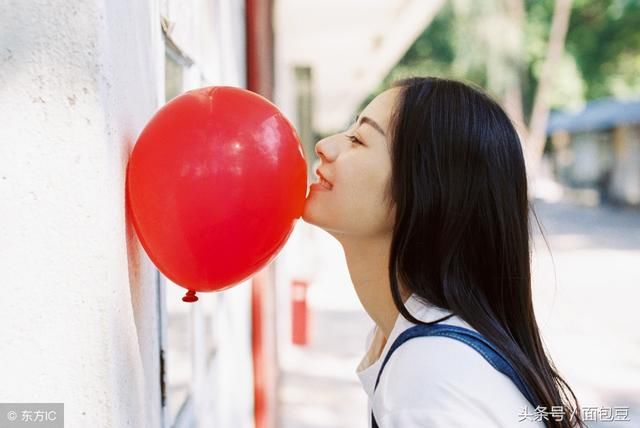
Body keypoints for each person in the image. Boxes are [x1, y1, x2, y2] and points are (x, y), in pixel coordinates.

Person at [302, 77, 586, 428]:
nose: (324, 146)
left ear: (425, 190)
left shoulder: (429, 379)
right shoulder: (417, 345)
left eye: (358, 139)